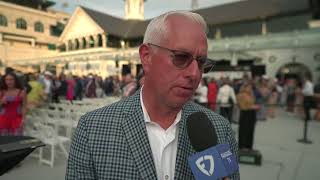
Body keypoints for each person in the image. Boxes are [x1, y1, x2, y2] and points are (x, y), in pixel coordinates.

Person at [66, 11, 239, 180]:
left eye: (201, 62)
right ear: (147, 57)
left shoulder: (220, 130)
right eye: (180, 57)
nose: (194, 74)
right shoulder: (92, 129)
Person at [237, 83, 259, 151]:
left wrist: (254, 107)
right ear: (244, 88)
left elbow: (252, 103)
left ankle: (249, 146)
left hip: (251, 115)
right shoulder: (240, 95)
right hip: (245, 115)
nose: (250, 89)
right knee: (244, 130)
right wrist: (253, 107)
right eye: (248, 87)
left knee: (250, 131)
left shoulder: (251, 95)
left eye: (251, 88)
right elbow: (242, 106)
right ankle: (242, 146)